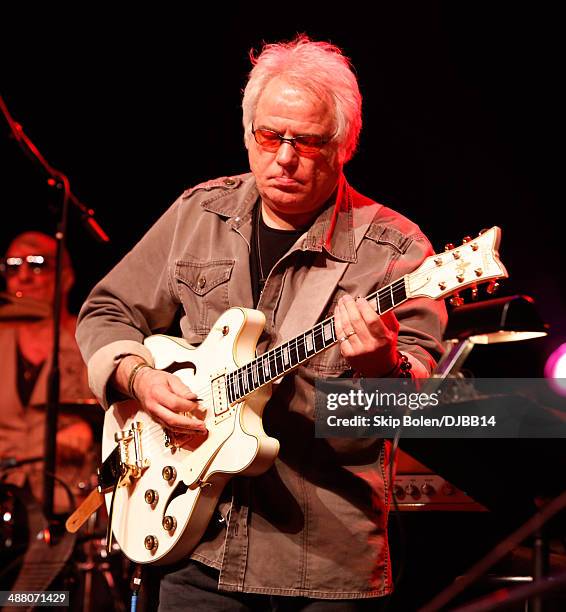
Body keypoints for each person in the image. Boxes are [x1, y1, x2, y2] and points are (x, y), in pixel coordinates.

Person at [76, 36, 447, 610]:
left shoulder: (396, 252)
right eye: (270, 136)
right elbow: (106, 311)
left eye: (308, 141)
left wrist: (383, 370)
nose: (285, 157)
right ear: (249, 133)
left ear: (344, 145)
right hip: (193, 548)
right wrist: (138, 378)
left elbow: (419, 416)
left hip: (322, 568)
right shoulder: (199, 212)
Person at [0, 231, 95, 514]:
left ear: (66, 277)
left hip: (68, 504)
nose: (23, 276)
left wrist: (89, 430)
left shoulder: (89, 338)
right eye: (13, 266)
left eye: (38, 264)